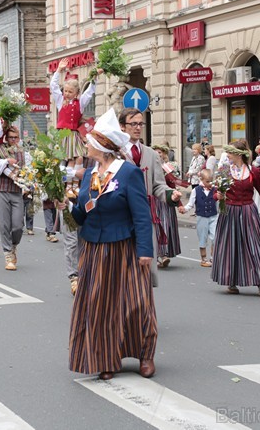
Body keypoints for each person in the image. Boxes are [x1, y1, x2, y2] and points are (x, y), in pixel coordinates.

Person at [67, 108, 156, 380]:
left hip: (124, 247)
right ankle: (107, 356)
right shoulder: (89, 173)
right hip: (94, 249)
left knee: (135, 303)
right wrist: (67, 206)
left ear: (101, 146)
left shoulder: (128, 172)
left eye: (89, 141)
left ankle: (145, 354)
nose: (85, 145)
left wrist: (145, 251)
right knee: (99, 305)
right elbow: (82, 214)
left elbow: (142, 214)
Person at [211, 139, 260, 296]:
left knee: (256, 246)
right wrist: (217, 196)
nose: (227, 155)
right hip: (229, 212)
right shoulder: (224, 170)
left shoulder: (253, 172)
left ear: (239, 154)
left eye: (230, 152)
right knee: (230, 247)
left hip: (247, 212)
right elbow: (216, 193)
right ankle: (231, 282)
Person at [119, 108, 181, 282]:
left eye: (140, 123)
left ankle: (142, 303)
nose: (138, 127)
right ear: (123, 127)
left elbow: (158, 186)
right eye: (133, 124)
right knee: (124, 265)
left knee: (145, 265)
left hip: (145, 217)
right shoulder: (116, 153)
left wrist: (171, 195)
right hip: (121, 216)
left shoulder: (152, 154)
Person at [51, 58, 102, 196]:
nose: (66, 94)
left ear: (76, 93)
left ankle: (74, 184)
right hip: (63, 134)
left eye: (70, 92)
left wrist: (94, 77)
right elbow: (53, 87)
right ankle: (67, 185)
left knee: (79, 158)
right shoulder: (60, 101)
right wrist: (58, 70)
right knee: (67, 159)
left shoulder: (80, 103)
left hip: (74, 134)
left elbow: (89, 92)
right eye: (65, 91)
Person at [0, 124, 26, 270]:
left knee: (17, 225)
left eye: (16, 137)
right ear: (6, 138)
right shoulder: (0, 150)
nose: (13, 140)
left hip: (16, 190)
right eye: (11, 137)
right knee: (4, 223)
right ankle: (8, 254)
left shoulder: (22, 152)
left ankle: (13, 245)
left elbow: (26, 170)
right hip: (1, 190)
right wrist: (6, 162)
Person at [152, 144, 185, 268]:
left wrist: (179, 204)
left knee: (166, 227)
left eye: (159, 152)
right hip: (154, 202)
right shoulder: (149, 167)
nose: (158, 155)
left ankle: (164, 254)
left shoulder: (168, 168)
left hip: (167, 201)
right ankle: (157, 255)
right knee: (155, 227)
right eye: (155, 153)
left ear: (164, 154)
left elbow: (173, 186)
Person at [180, 168, 218, 267]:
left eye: (211, 181)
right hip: (202, 217)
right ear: (201, 179)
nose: (210, 183)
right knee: (202, 237)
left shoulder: (215, 189)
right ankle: (203, 258)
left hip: (214, 216)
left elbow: (219, 202)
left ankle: (213, 258)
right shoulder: (195, 190)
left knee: (216, 237)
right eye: (207, 181)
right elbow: (191, 203)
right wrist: (184, 209)